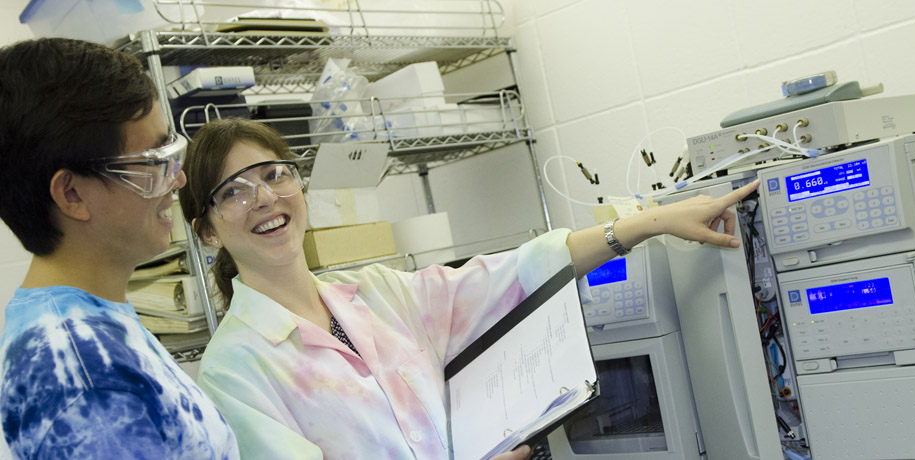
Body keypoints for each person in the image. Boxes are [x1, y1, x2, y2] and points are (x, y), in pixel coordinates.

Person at [179, 117, 759, 460]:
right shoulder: (234, 369)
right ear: (206, 232)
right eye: (233, 191)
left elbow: (510, 274)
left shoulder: (377, 293)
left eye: (275, 174)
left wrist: (647, 224)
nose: (265, 199)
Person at [0, 38, 239, 459]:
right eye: (152, 163)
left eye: (172, 152)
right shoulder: (84, 376)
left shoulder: (95, 323)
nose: (177, 181)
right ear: (72, 194)